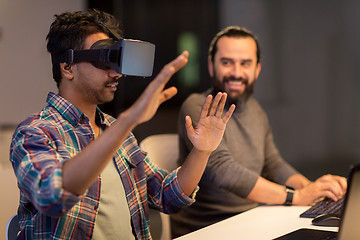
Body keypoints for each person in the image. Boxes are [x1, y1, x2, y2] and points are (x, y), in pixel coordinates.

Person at [9, 9, 235, 240]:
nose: (116, 73)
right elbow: (52, 196)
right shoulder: (35, 132)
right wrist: (129, 120)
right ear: (67, 68)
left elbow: (167, 196)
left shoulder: (116, 130)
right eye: (104, 59)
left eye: (118, 60)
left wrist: (202, 151)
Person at [170, 26, 347, 237]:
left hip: (254, 219)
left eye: (245, 63)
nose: (236, 72)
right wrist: (296, 197)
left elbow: (273, 163)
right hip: (208, 229)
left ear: (257, 69)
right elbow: (222, 170)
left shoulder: (255, 110)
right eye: (226, 62)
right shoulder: (199, 105)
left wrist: (312, 188)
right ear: (211, 66)